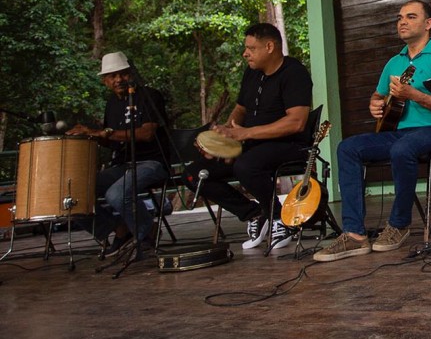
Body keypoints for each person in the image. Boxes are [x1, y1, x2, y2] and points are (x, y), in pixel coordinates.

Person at [313, 0, 431, 262]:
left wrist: (414, 95)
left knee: (402, 148)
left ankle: (399, 224)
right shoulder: (394, 62)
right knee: (347, 147)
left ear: (428, 24)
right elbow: (378, 95)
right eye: (399, 17)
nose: (402, 22)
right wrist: (376, 104)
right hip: (400, 132)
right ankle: (354, 234)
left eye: (411, 17)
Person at [183, 23, 312, 252]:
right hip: (251, 146)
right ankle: (253, 215)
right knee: (195, 175)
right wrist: (224, 136)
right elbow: (240, 109)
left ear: (269, 47)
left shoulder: (294, 72)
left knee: (246, 165)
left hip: (289, 145)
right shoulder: (252, 73)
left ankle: (279, 219)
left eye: (251, 48)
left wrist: (245, 134)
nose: (245, 53)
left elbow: (297, 121)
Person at [67, 51, 171, 255]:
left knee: (116, 194)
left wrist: (104, 132)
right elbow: (113, 141)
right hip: (122, 165)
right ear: (105, 81)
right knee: (72, 195)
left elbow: (147, 133)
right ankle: (119, 230)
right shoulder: (111, 104)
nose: (118, 80)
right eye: (112, 76)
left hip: (152, 162)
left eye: (122, 74)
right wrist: (91, 136)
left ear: (131, 73)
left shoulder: (150, 95)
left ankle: (146, 232)